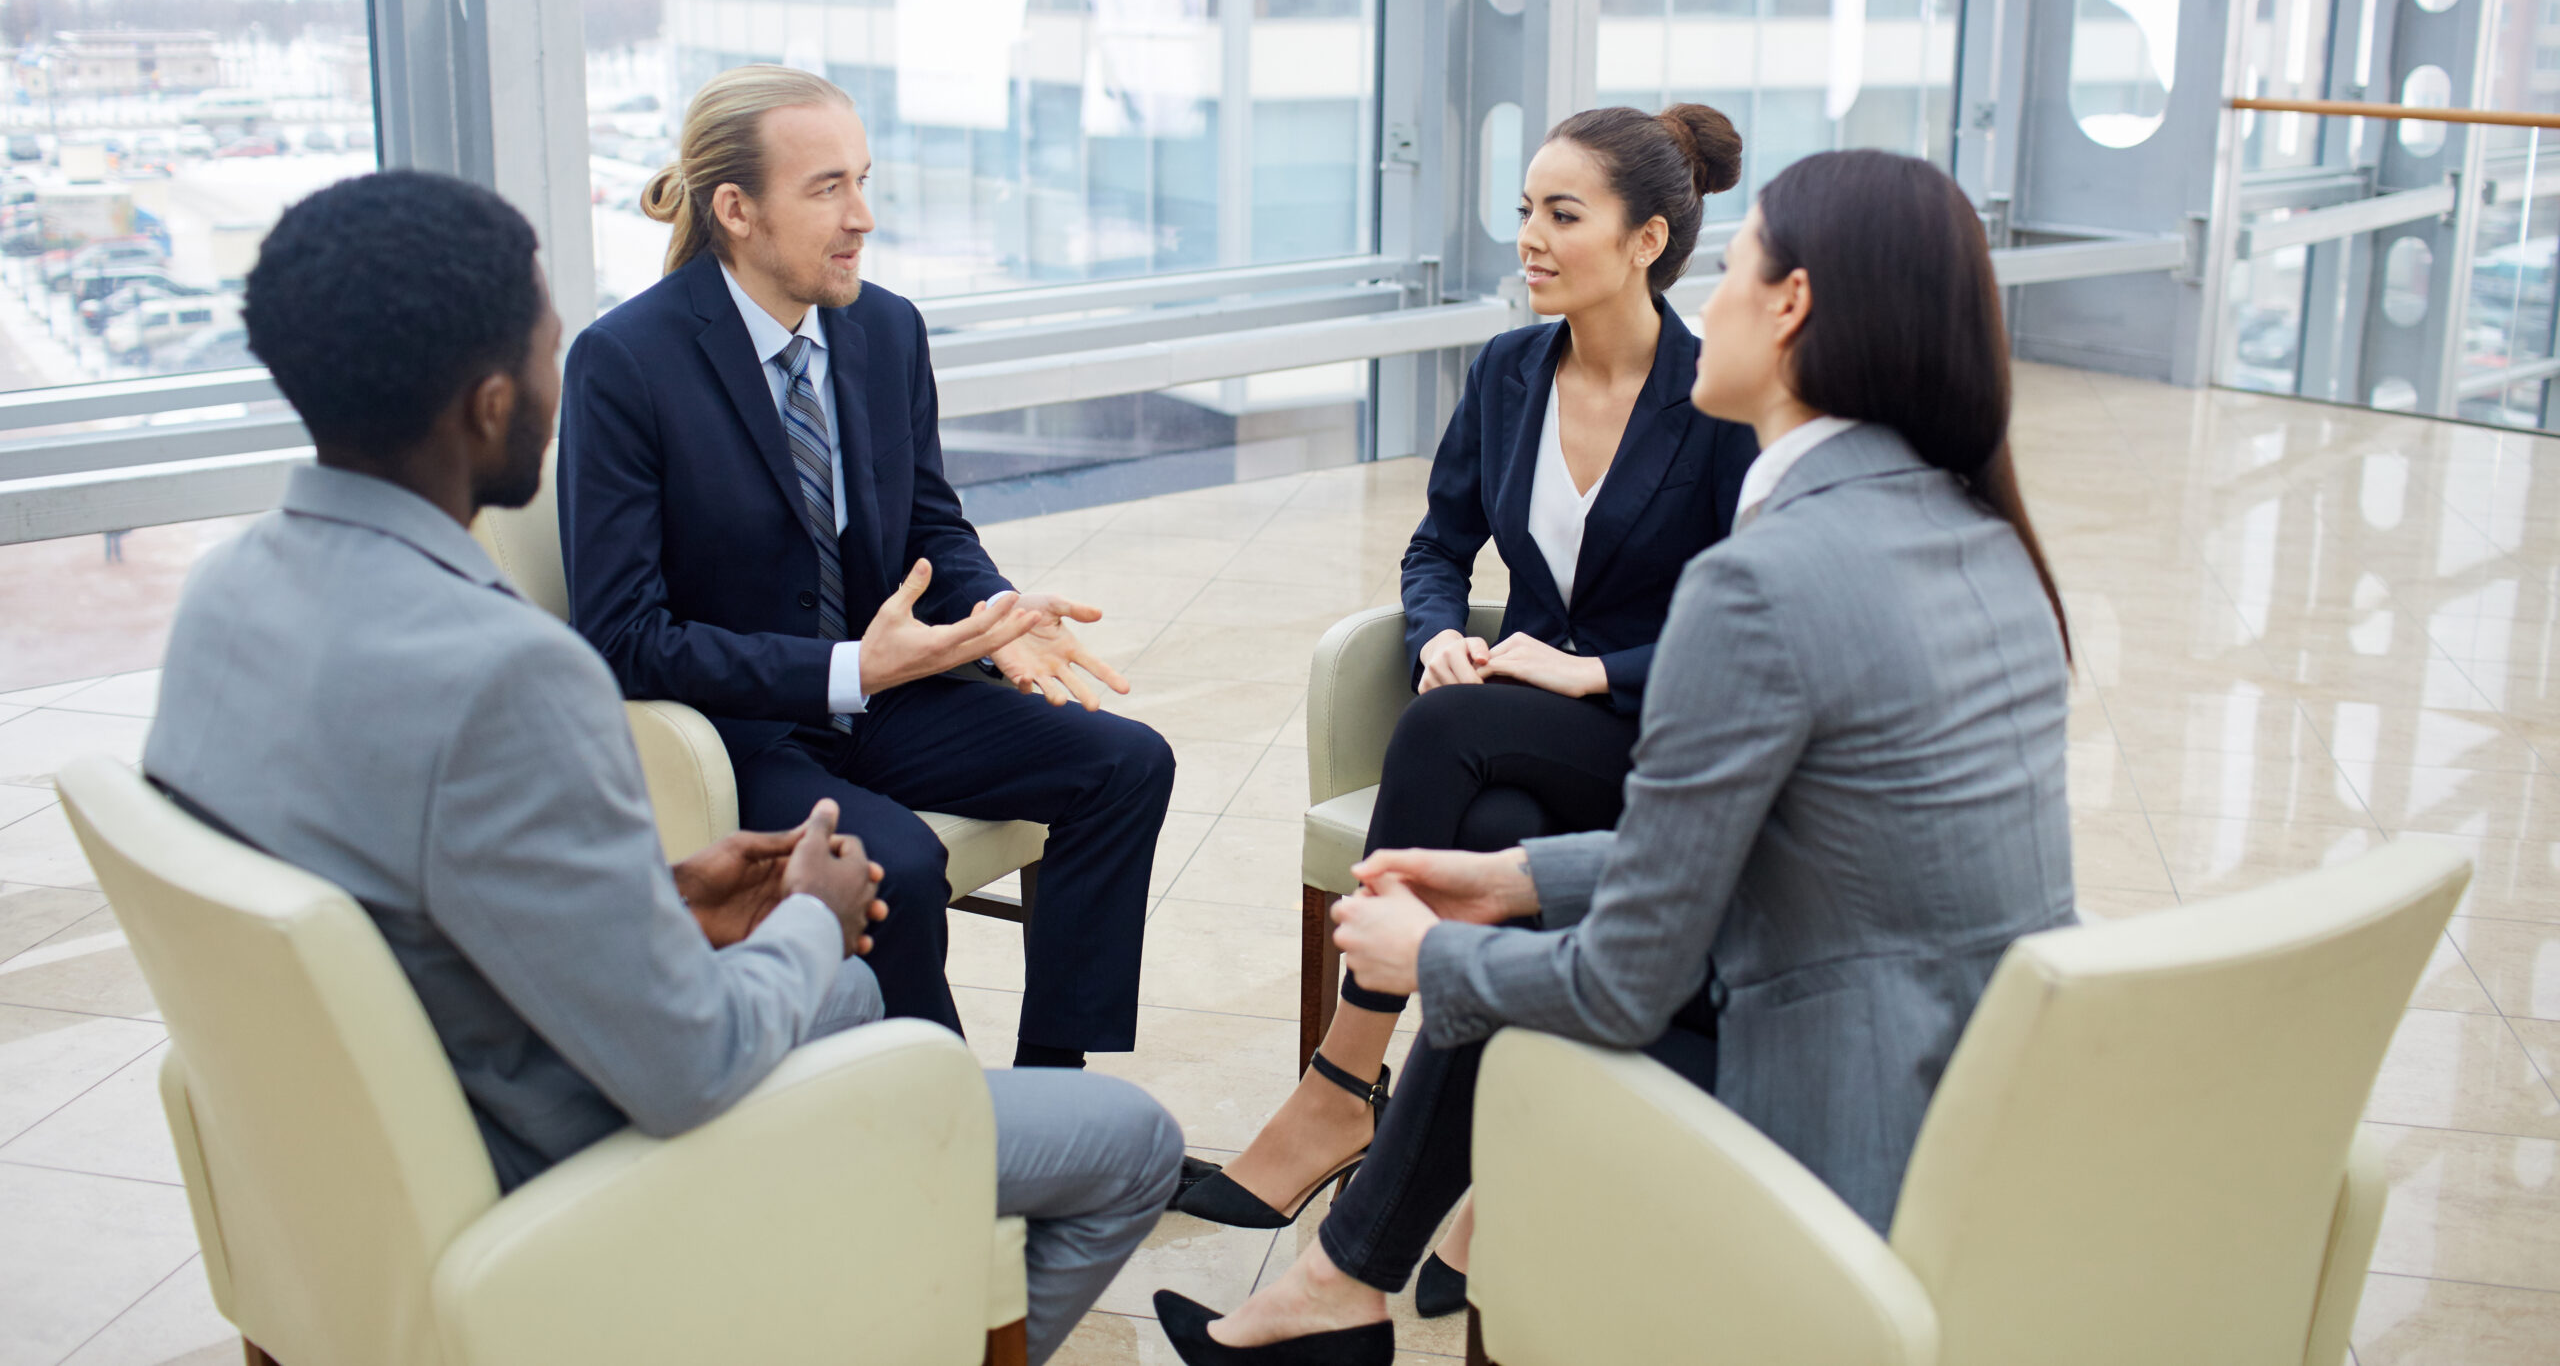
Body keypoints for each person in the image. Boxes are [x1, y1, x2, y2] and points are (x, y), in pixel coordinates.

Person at [142, 171, 1182, 1365]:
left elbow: (413, 890)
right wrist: (811, 912)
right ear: (491, 403)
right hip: (574, 1162)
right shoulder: (511, 677)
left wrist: (674, 897)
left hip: (386, 1120)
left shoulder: (222, 599)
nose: (556, 378)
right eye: (542, 349)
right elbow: (689, 1068)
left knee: (851, 998)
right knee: (1128, 1142)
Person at [1150, 149, 2079, 1363]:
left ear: (1789, 305)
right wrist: (1518, 877)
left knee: (1512, 986)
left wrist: (1434, 948)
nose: (1717, 293)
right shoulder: (1983, 534)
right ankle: (1341, 1280)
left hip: (1832, 1114)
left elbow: (1624, 985)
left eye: (1737, 264)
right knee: (1503, 877)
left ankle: (1342, 1243)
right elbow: (1797, 848)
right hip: (1974, 1084)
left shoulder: (1763, 580)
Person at [1178, 105, 1760, 1285]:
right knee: (1486, 813)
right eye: (1523, 213)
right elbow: (1436, 550)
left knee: (1447, 736)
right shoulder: (1506, 373)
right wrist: (1441, 635)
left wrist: (1593, 669)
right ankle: (1490, 1158)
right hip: (1520, 738)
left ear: (1646, 240)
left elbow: (1756, 632)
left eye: (1561, 215)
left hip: (1660, 737)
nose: (1529, 240)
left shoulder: (1719, 399)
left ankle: (1342, 1088)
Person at [559, 66, 1175, 1073]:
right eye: (828, 188)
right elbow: (623, 639)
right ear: (736, 209)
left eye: (864, 179)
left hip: (890, 702)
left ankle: (1051, 1087)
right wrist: (850, 671)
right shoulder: (626, 365)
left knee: (1126, 763)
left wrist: (997, 613)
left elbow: (932, 523)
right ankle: (935, 1123)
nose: (864, 216)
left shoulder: (883, 330)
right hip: (747, 734)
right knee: (902, 864)